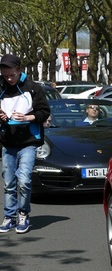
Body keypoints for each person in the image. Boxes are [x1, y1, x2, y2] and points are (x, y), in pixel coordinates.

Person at [0, 54, 50, 234]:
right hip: (8, 142)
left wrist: (27, 117)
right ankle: (9, 217)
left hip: (28, 142)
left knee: (24, 180)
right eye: (5, 76)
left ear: (19, 70)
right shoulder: (1, 87)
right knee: (8, 182)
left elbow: (44, 112)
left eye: (12, 75)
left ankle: (23, 214)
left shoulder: (33, 88)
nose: (9, 79)